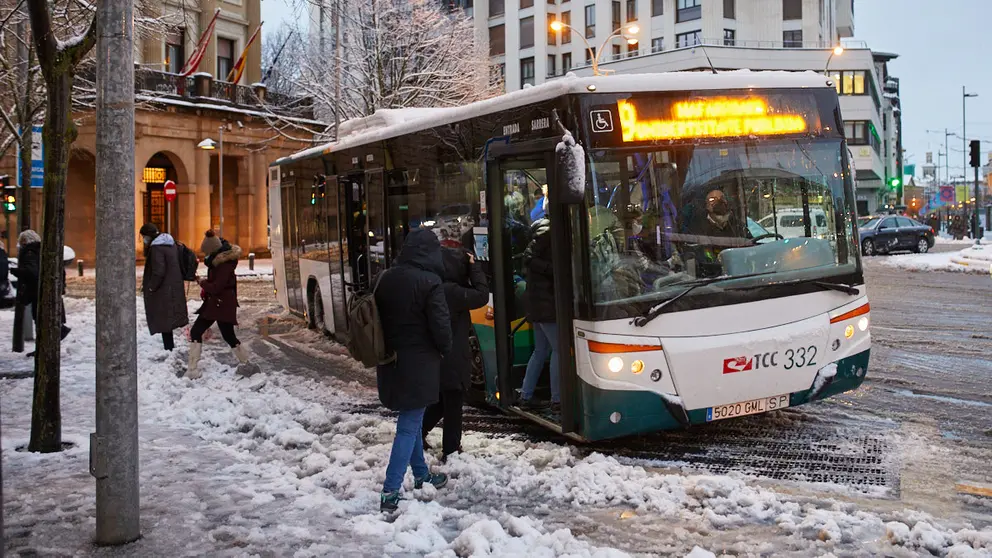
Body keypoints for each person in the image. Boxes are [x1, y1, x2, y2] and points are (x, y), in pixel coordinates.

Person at [374, 229, 452, 512]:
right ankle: (390, 491)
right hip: (419, 364)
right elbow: (441, 328)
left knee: (414, 419)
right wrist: (445, 348)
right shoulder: (430, 282)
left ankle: (421, 474)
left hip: (390, 361)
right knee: (408, 427)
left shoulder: (385, 277)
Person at [421, 247, 489, 461]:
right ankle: (450, 449)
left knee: (442, 401)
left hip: (436, 356)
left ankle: (417, 434)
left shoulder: (432, 286)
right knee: (453, 403)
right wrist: (474, 268)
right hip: (452, 357)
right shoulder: (453, 292)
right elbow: (482, 295)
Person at [186, 230, 257, 379]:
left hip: (220, 304)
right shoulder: (219, 262)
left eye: (206, 252)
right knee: (224, 335)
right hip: (218, 304)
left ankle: (193, 369)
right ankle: (246, 363)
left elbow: (217, 286)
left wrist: (202, 282)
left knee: (213, 333)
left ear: (213, 251)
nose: (205, 255)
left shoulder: (224, 265)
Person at [518, 205, 560, 412]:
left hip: (537, 302)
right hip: (547, 303)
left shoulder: (542, 232)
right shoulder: (551, 233)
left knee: (541, 350)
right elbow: (531, 259)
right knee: (558, 351)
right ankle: (558, 399)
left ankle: (526, 396)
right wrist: (556, 271)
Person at [11, 230, 70, 357]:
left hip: (37, 292)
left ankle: (45, 348)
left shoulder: (30, 252)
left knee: (40, 320)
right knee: (47, 320)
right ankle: (49, 345)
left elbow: (32, 273)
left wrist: (17, 271)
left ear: (25, 241)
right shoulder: (44, 250)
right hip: (48, 290)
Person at [139, 224, 189, 351]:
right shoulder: (171, 245)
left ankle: (169, 348)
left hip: (164, 289)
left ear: (149, 236)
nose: (143, 239)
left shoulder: (157, 248)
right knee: (168, 319)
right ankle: (169, 347)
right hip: (173, 286)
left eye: (144, 236)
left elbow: (158, 271)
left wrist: (151, 287)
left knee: (164, 319)